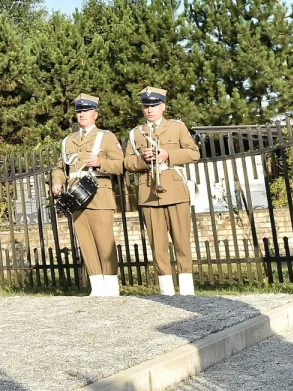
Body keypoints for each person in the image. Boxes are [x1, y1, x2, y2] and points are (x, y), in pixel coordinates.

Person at [122, 87, 200, 296]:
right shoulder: (135, 133)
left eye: (154, 106)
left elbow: (193, 153)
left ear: (163, 106)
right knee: (157, 244)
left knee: (182, 241)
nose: (150, 110)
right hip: (149, 191)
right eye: (146, 106)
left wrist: (167, 154)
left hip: (175, 189)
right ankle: (166, 290)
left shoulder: (176, 127)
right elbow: (128, 162)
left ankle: (186, 289)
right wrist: (142, 160)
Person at [51, 93, 125, 297]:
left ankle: (111, 286)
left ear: (95, 114)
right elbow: (60, 166)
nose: (82, 114)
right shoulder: (68, 140)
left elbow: (120, 165)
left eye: (86, 111)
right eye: (79, 111)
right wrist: (57, 181)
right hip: (76, 197)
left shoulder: (106, 137)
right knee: (86, 242)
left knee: (104, 241)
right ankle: (97, 286)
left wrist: (101, 162)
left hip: (99, 195)